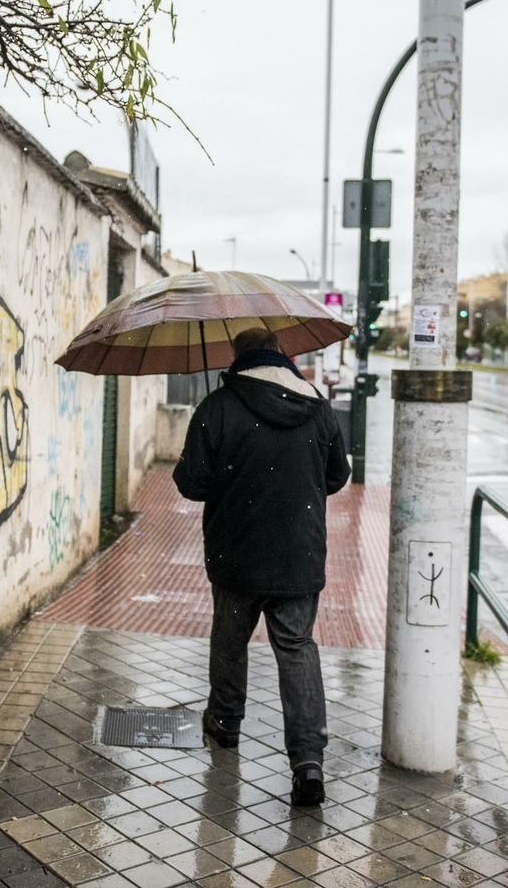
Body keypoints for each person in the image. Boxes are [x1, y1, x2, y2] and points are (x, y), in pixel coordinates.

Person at [172, 327, 351, 806]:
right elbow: (338, 476)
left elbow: (192, 484)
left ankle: (226, 723)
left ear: (237, 357)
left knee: (230, 639)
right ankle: (308, 762)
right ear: (282, 354)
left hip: (237, 552)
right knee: (296, 647)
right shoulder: (317, 407)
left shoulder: (217, 407)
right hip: (299, 553)